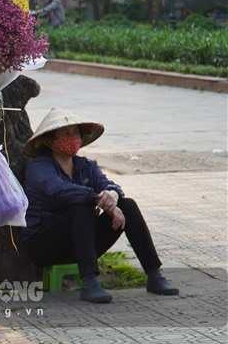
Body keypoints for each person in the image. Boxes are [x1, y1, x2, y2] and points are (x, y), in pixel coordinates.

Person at [19, 108, 178, 303]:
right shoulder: (39, 166)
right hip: (44, 245)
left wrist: (112, 195)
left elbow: (108, 185)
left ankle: (154, 275)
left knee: (127, 205)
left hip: (82, 242)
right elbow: (59, 190)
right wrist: (97, 199)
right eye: (66, 134)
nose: (73, 137)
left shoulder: (86, 166)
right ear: (50, 140)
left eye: (76, 132)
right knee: (82, 207)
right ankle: (89, 283)